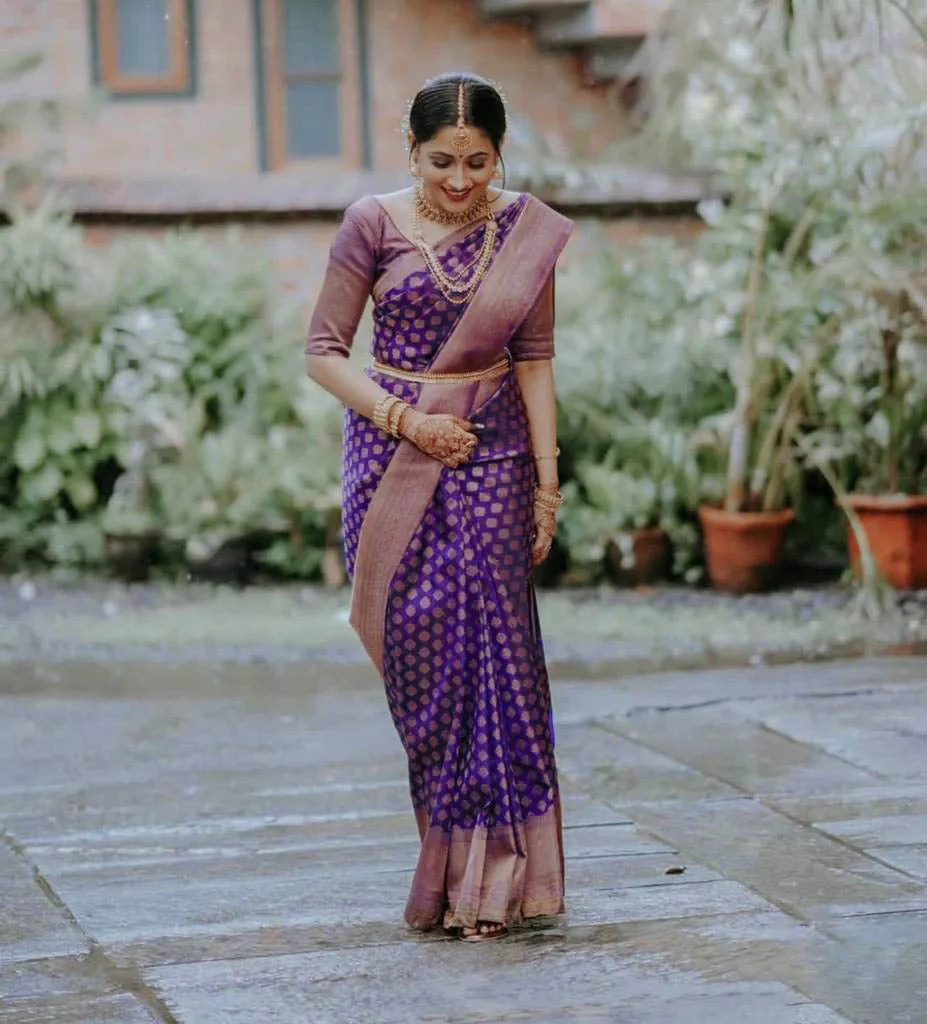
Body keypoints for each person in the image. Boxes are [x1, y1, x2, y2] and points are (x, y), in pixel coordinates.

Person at [306, 71, 572, 942]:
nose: (460, 182)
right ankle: (450, 863)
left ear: (500, 155)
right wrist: (405, 419)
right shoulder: (370, 225)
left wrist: (545, 476)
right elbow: (322, 351)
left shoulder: (521, 231)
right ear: (409, 149)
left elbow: (534, 357)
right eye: (441, 162)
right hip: (390, 461)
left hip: (492, 456)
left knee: (500, 666)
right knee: (424, 674)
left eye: (479, 162)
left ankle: (494, 885)